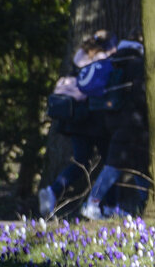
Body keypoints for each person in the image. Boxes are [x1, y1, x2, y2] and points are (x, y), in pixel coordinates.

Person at [39, 31, 115, 217]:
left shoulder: (78, 60)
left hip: (73, 121)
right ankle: (111, 206)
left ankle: (53, 190)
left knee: (81, 160)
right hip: (94, 119)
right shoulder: (103, 62)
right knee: (111, 161)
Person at [79, 35, 149, 219]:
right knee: (114, 166)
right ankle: (92, 204)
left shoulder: (114, 64)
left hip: (113, 120)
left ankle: (148, 202)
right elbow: (140, 96)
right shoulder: (137, 64)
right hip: (133, 122)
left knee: (139, 165)